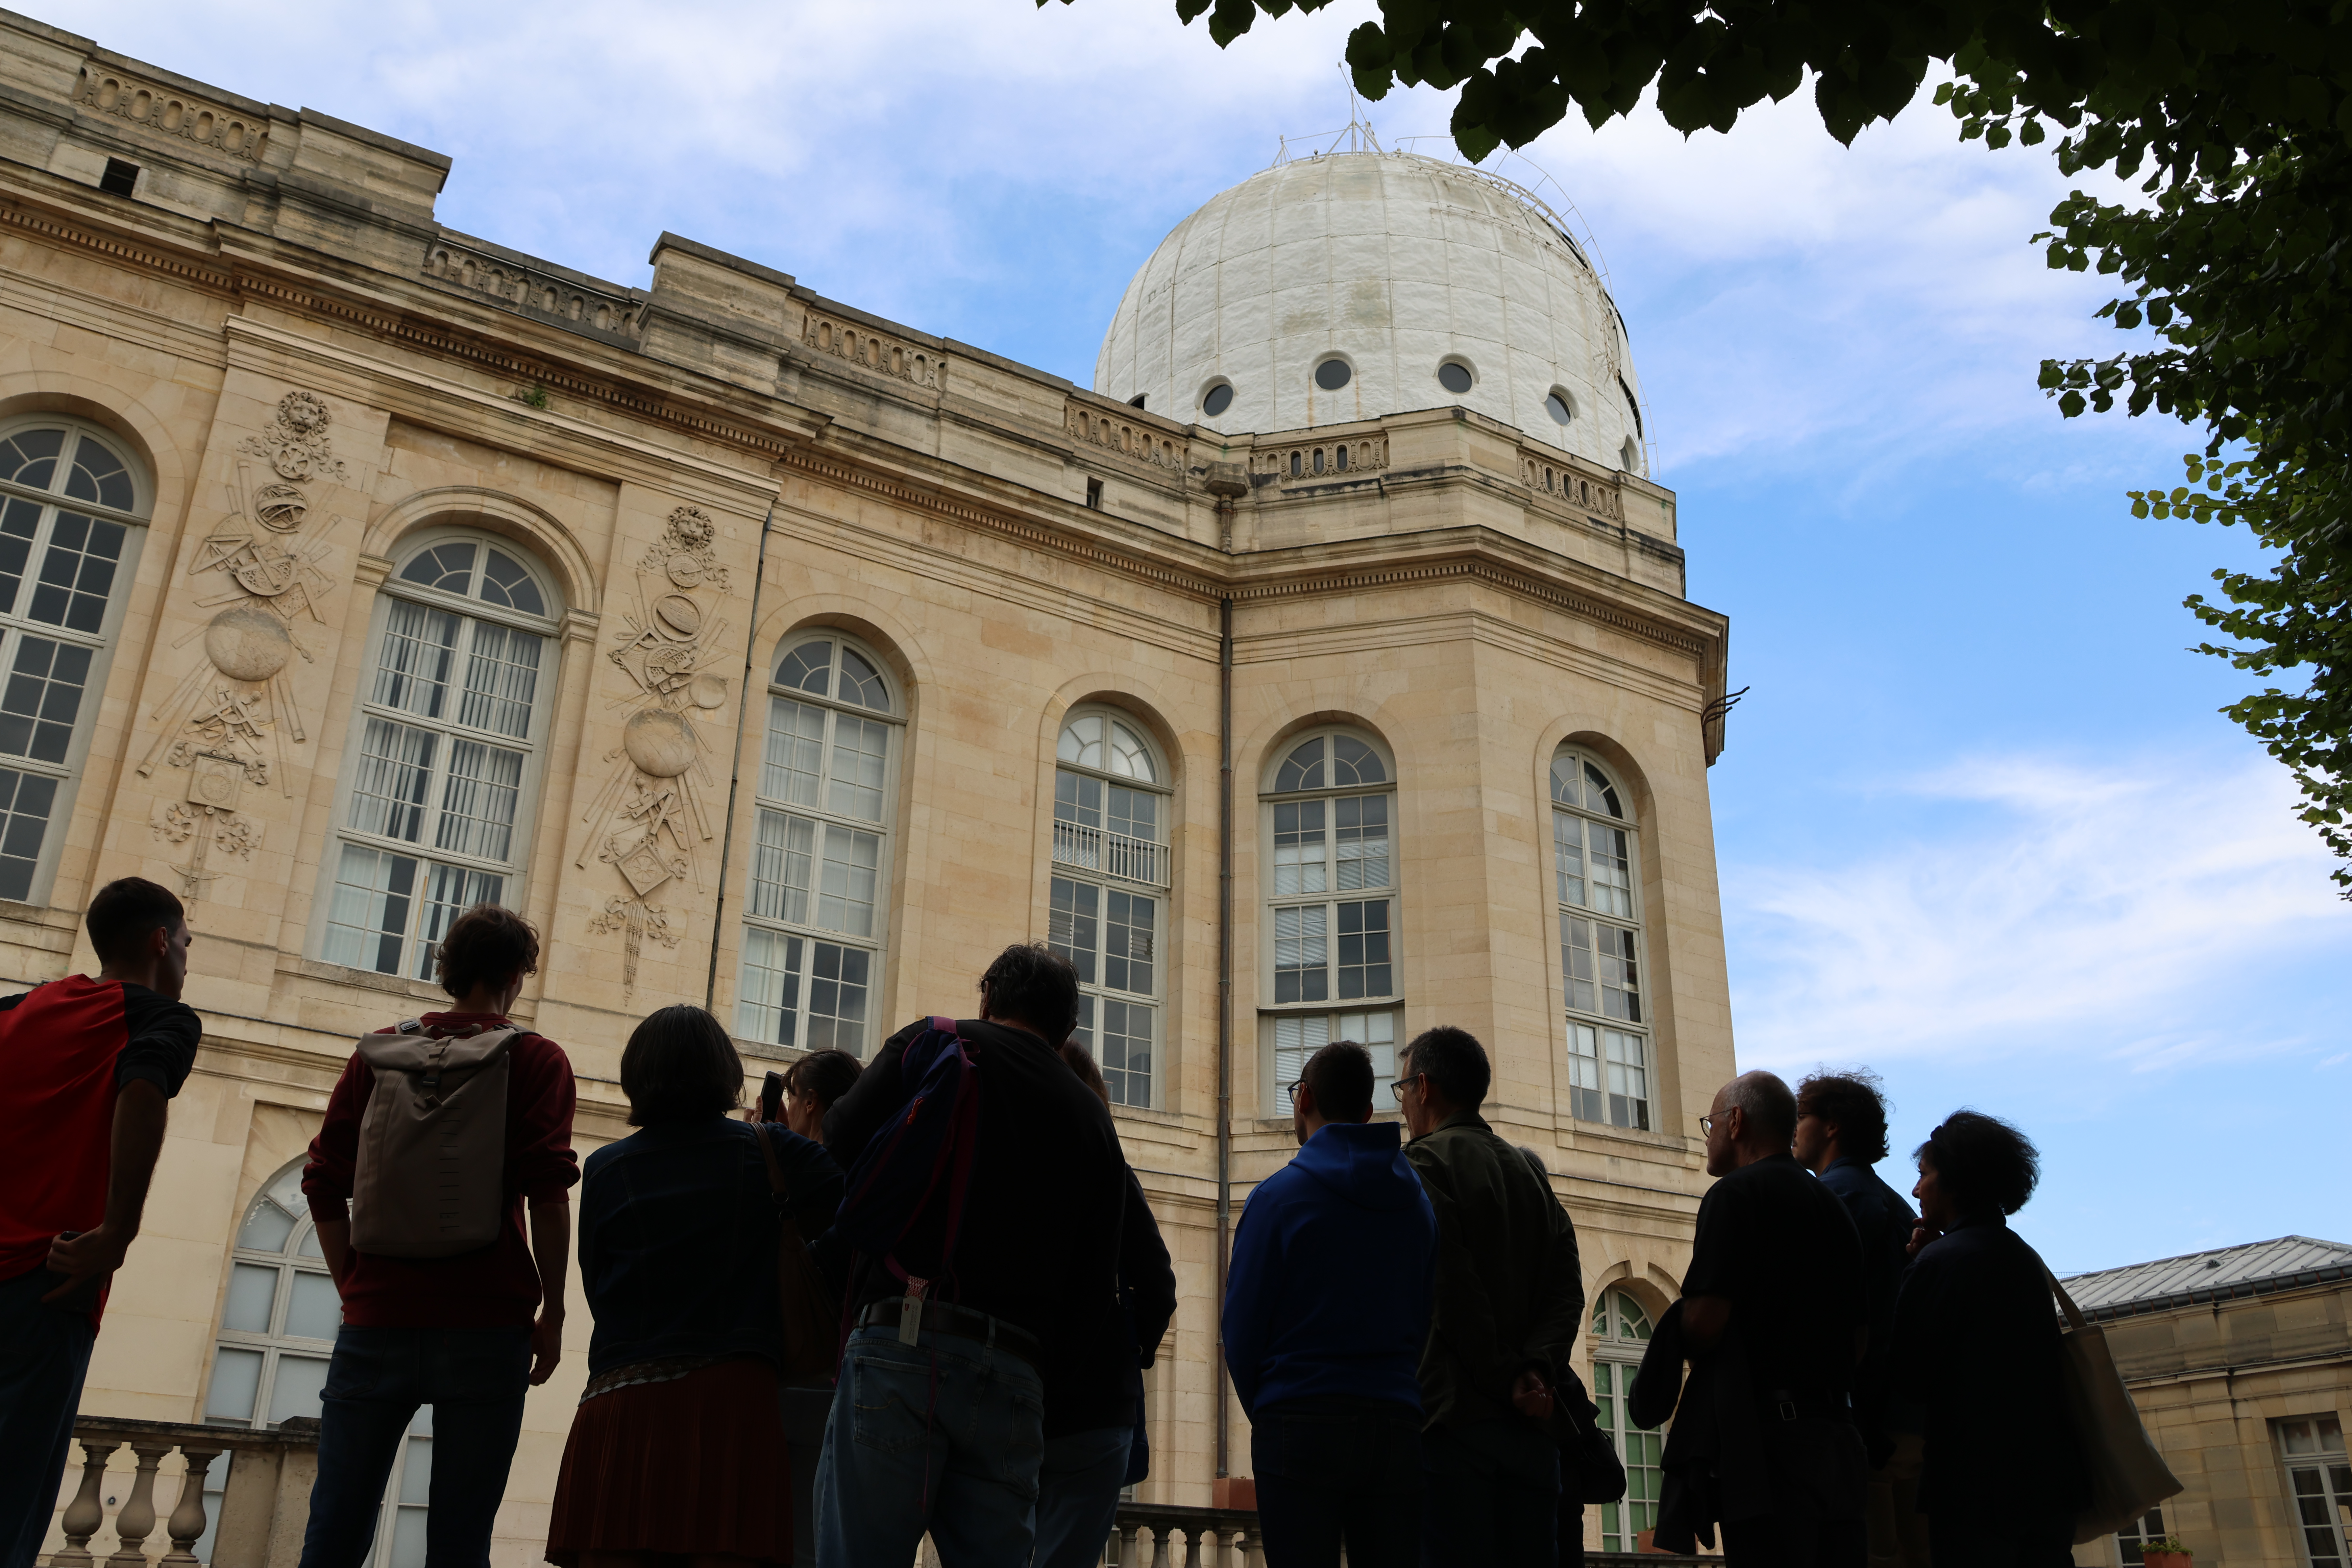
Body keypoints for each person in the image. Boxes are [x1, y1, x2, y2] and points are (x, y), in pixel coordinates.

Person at [814, 943, 1130, 1567]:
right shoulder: (1092, 1119)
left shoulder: (935, 1042)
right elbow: (1098, 1287)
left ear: (987, 998)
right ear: (1066, 1029)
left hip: (902, 1342)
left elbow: (840, 1137)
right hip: (1015, 1373)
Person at [298, 905, 578, 1568]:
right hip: (486, 1322)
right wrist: (555, 1313)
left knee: (335, 1530)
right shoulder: (535, 1058)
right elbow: (548, 1193)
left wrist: (355, 1289)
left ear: (448, 973)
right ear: (516, 976)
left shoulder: (378, 1052)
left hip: (377, 1321)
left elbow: (321, 1183)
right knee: (459, 1539)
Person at [549, 1004, 835, 1568]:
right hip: (732, 1402)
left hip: (620, 1400)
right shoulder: (773, 1152)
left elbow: (599, 1285)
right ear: (725, 1072)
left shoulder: (606, 1168)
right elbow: (861, 1219)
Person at [0, 879, 199, 1568]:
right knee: (12, 1492)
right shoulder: (159, 1019)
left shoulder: (16, 1010)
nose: (185, 962)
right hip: (49, 1279)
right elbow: (142, 1091)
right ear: (159, 942)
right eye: (185, 946)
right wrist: (118, 1233)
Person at [1223, 1040, 1437, 1568]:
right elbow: (1425, 1313)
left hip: (1298, 1418)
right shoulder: (1416, 1202)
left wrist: (1272, 1407)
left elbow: (1242, 1329)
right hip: (1394, 1420)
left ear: (1304, 1100)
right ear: (1367, 1112)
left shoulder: (1277, 1198)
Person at [1393, 1026, 1583, 1566]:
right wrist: (1537, 1371)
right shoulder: (1530, 1172)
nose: (1403, 1104)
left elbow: (1449, 1289)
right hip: (1532, 1428)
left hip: (1455, 1425)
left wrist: (1505, 1377)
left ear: (1424, 1087)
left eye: (1402, 1089)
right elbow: (1568, 1291)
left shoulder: (1421, 1164)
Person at [1663, 1071, 1868, 1567]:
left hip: (1769, 1450)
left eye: (1710, 1124)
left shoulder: (1734, 1196)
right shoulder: (1831, 1203)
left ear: (1736, 1122)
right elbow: (1860, 1337)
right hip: (1838, 1441)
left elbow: (1706, 1320)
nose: (1708, 1136)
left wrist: (1677, 1332)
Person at [1890, 1112, 2085, 1566]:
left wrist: (1918, 1271)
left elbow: (1910, 1376)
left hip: (1972, 1482)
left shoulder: (1939, 1262)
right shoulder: (2020, 1255)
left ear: (1955, 1179)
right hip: (2047, 1479)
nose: (1917, 1190)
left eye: (1924, 1174)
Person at [1029, 1040, 1175, 1568]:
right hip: (1095, 1413)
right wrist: (1126, 1352)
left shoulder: (1015, 1169)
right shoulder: (1113, 1172)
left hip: (1015, 1397)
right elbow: (1159, 1286)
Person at [1794, 1071, 1927, 1568]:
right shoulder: (1889, 1200)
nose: (1795, 1129)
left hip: (1864, 1423)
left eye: (1802, 1116)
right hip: (1901, 1418)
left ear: (1831, 1127)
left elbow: (1827, 1313)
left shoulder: (1832, 1197)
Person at [770, 1046, 862, 1568]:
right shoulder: (870, 1173)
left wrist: (769, 1142)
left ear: (810, 1101)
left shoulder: (797, 1167)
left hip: (792, 1372)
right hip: (845, 1375)